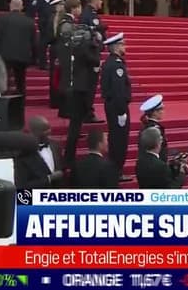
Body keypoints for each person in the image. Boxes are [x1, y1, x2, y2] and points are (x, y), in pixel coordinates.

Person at [62, 20, 101, 169]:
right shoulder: (85, 48)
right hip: (79, 91)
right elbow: (95, 59)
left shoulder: (73, 45)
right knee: (74, 128)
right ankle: (69, 159)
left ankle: (69, 158)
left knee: (75, 127)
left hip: (73, 89)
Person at [100, 33, 132, 182]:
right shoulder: (116, 65)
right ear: (116, 47)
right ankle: (116, 171)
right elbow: (118, 90)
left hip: (112, 105)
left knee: (116, 138)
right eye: (123, 44)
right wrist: (121, 112)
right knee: (119, 140)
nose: (125, 47)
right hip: (117, 107)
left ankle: (115, 170)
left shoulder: (110, 62)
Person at [0, 0, 35, 95]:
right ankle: (20, 103)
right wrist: (34, 57)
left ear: (10, 6)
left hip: (5, 55)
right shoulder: (29, 21)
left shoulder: (1, 19)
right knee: (20, 82)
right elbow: (34, 42)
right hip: (22, 56)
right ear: (22, 7)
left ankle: (4, 103)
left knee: (4, 80)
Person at [14, 116, 65, 189]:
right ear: (33, 132)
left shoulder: (55, 146)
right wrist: (49, 178)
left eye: (49, 128)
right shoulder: (23, 154)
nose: (49, 131)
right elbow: (22, 186)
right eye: (44, 130)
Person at [80, 0, 106, 123]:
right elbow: (89, 36)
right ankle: (87, 113)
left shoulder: (91, 14)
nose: (101, 1)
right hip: (90, 55)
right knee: (89, 85)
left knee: (91, 85)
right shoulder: (88, 15)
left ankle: (87, 111)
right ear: (94, 0)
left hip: (93, 53)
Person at [138, 94, 170, 163]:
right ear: (155, 112)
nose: (163, 112)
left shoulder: (146, 126)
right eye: (161, 109)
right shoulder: (154, 129)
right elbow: (159, 150)